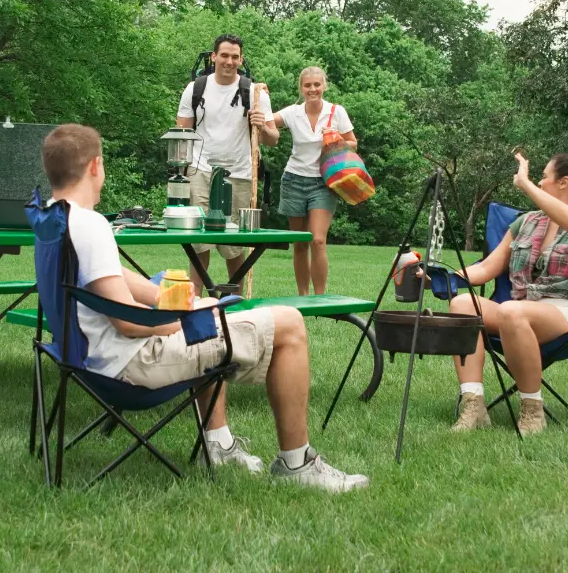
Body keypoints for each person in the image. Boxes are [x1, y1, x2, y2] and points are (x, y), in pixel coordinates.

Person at [40, 123, 368, 491]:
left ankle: (220, 444)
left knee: (209, 308)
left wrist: (189, 302)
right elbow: (127, 324)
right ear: (96, 166)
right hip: (130, 365)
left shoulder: (56, 217)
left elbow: (115, 275)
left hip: (86, 359)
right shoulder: (92, 225)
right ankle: (297, 464)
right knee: (290, 323)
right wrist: (186, 321)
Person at [447, 151, 568, 435]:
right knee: (463, 303)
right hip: (519, 310)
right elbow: (489, 267)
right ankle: (473, 404)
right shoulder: (525, 223)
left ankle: (532, 411)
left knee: (511, 311)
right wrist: (442, 275)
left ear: (564, 183)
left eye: (543, 177)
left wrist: (524, 184)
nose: (539, 183)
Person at [176, 35, 279, 296]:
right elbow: (182, 132)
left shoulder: (254, 92)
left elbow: (272, 139)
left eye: (235, 57)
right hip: (200, 171)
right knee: (199, 241)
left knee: (235, 243)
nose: (229, 61)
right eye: (224, 55)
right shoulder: (195, 88)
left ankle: (233, 302)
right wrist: (182, 172)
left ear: (241, 59)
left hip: (241, 174)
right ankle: (196, 301)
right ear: (213, 56)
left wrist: (261, 125)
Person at [272, 67, 357, 295]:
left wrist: (334, 140)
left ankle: (320, 296)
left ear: (324, 86)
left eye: (316, 85)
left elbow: (353, 143)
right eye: (307, 85)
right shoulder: (293, 112)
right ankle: (303, 296)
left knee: (318, 240)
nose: (312, 89)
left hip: (323, 182)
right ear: (301, 88)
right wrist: (258, 105)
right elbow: (268, 122)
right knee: (299, 243)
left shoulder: (336, 112)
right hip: (293, 179)